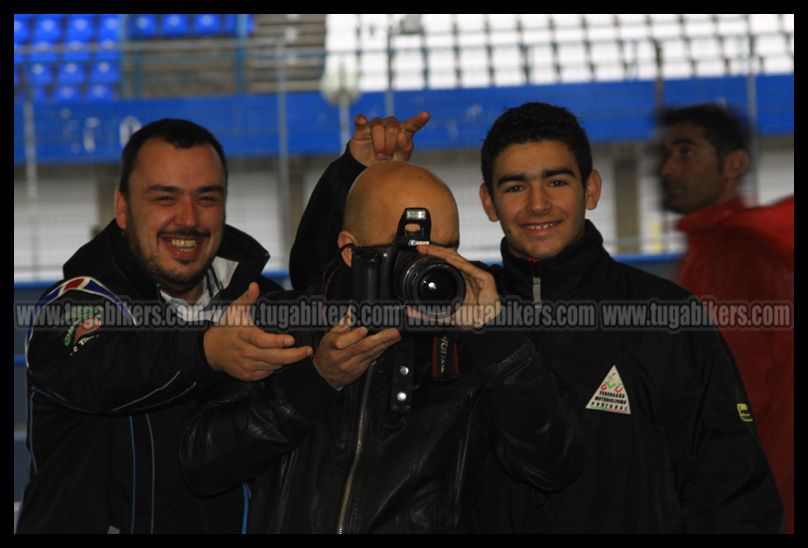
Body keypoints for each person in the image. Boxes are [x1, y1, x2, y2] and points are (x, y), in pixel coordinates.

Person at [291, 104, 784, 532]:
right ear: (489, 202)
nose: (538, 205)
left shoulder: (669, 318)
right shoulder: (457, 308)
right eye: (515, 186)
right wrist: (352, 173)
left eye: (556, 181)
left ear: (590, 189)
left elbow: (733, 488)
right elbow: (332, 283)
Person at [179, 160, 584, 533]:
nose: (430, 272)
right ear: (351, 251)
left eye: (447, 251)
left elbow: (554, 466)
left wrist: (496, 338)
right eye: (410, 253)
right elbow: (203, 465)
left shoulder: (472, 344)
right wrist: (315, 382)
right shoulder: (283, 324)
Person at [17, 118, 312, 533]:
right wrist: (206, 353)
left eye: (206, 198)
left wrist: (348, 177)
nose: (188, 219)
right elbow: (108, 367)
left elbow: (329, 297)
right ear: (123, 208)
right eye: (165, 198)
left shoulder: (253, 298)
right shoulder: (72, 304)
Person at [658, 103, 794, 532]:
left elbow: (737, 394)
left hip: (750, 500)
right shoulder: (718, 244)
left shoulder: (735, 252)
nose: (666, 169)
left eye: (685, 153)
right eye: (666, 154)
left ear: (732, 164)